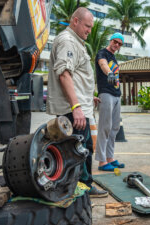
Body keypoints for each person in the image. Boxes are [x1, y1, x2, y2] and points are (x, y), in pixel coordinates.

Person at [46, 7, 107, 197]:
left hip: (80, 108)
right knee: (77, 150)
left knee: (84, 148)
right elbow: (64, 74)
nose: (89, 30)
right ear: (75, 21)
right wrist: (76, 106)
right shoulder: (68, 41)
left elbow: (76, 76)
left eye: (91, 27)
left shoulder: (76, 42)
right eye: (87, 26)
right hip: (73, 111)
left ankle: (83, 185)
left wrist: (88, 98)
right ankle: (80, 187)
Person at [94, 33, 125, 171]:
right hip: (106, 93)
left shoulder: (114, 57)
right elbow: (103, 64)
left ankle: (109, 158)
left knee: (114, 128)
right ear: (110, 40)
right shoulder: (103, 53)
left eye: (119, 43)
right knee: (105, 127)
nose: (116, 44)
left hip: (116, 94)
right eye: (115, 41)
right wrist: (110, 73)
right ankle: (101, 161)